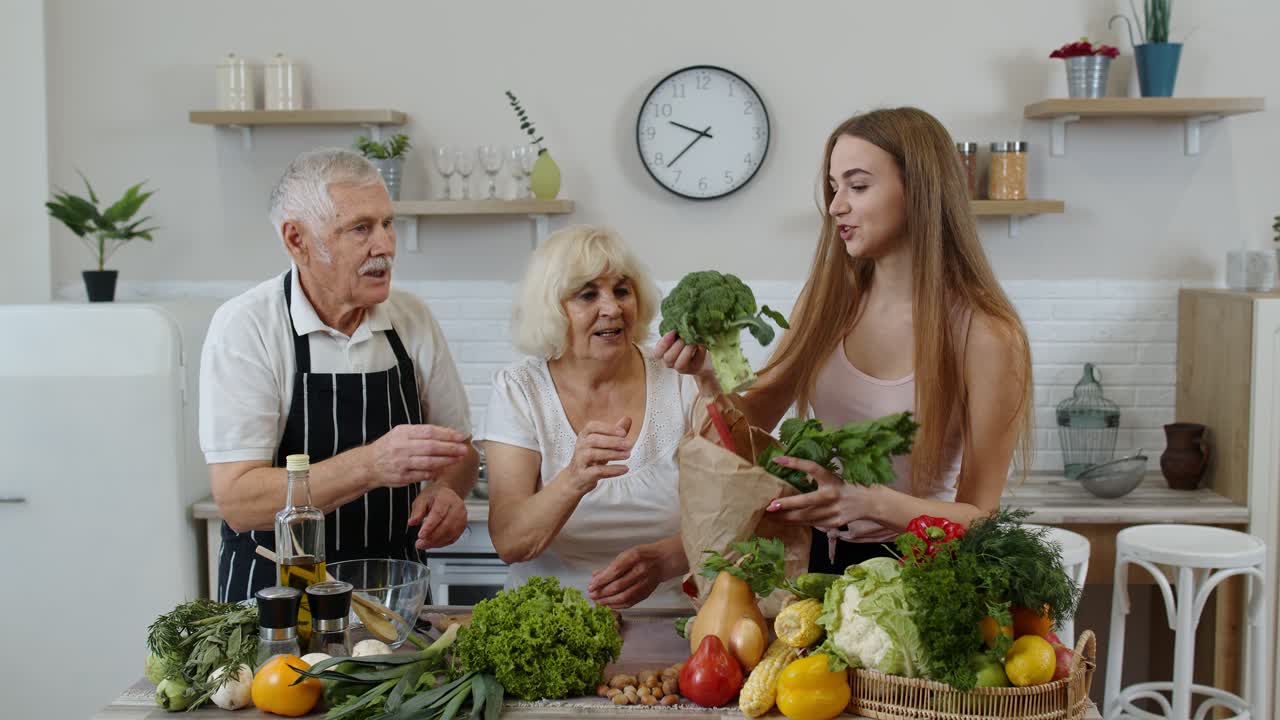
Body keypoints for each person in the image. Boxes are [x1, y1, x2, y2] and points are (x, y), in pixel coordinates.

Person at [657, 107, 1032, 573]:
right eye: (834, 188)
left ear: (919, 190)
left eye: (857, 186)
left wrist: (877, 505)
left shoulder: (987, 333)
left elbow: (980, 520)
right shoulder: (827, 300)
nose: (836, 206)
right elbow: (749, 433)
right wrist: (709, 381)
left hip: (921, 570)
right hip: (815, 561)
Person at [200, 148, 479, 602]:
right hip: (276, 598)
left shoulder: (411, 319)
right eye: (360, 229)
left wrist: (449, 491)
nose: (385, 246)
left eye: (388, 224)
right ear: (297, 240)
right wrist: (371, 465)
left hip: (393, 598)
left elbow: (460, 450)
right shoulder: (247, 327)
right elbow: (238, 499)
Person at [478, 225, 699, 608]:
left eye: (621, 290)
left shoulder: (682, 381)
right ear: (552, 309)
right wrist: (574, 479)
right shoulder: (519, 391)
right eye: (587, 294)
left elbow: (734, 517)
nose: (612, 308)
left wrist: (667, 560)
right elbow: (510, 542)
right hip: (551, 625)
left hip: (675, 626)